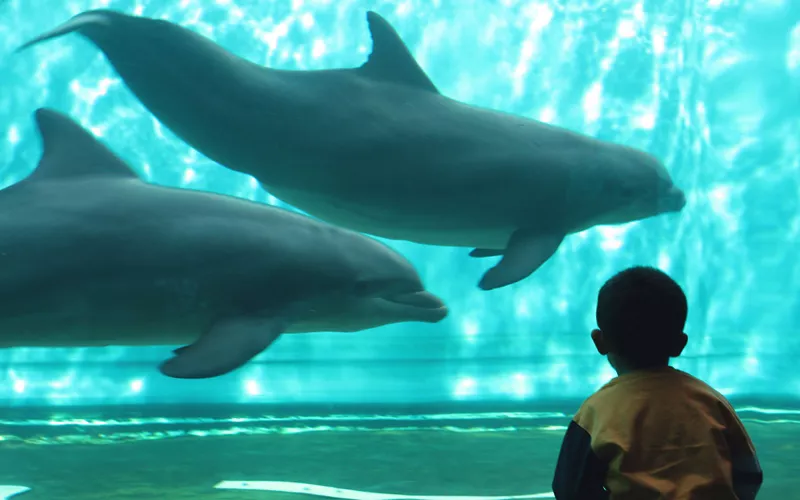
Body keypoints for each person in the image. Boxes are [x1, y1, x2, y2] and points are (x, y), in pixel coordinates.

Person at [552, 266, 763, 499]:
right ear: (680, 344)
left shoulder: (596, 411)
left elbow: (569, 488)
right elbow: (748, 473)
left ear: (599, 341)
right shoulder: (711, 401)